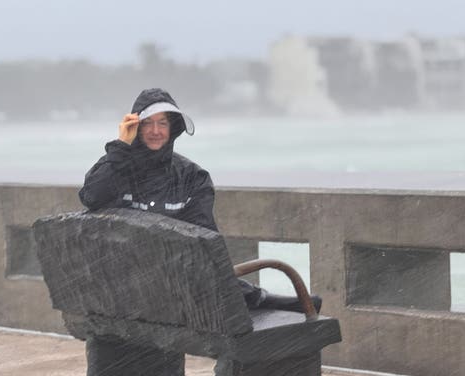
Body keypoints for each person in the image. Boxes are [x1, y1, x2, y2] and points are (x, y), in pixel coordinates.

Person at [78, 88, 320, 375]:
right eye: (147, 124)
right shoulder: (117, 167)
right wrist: (120, 147)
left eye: (163, 123)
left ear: (174, 128)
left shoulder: (192, 177)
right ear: (134, 127)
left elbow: (204, 243)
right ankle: (256, 297)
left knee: (208, 269)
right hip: (136, 297)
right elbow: (92, 196)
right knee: (220, 280)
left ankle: (253, 296)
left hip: (155, 294)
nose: (155, 131)